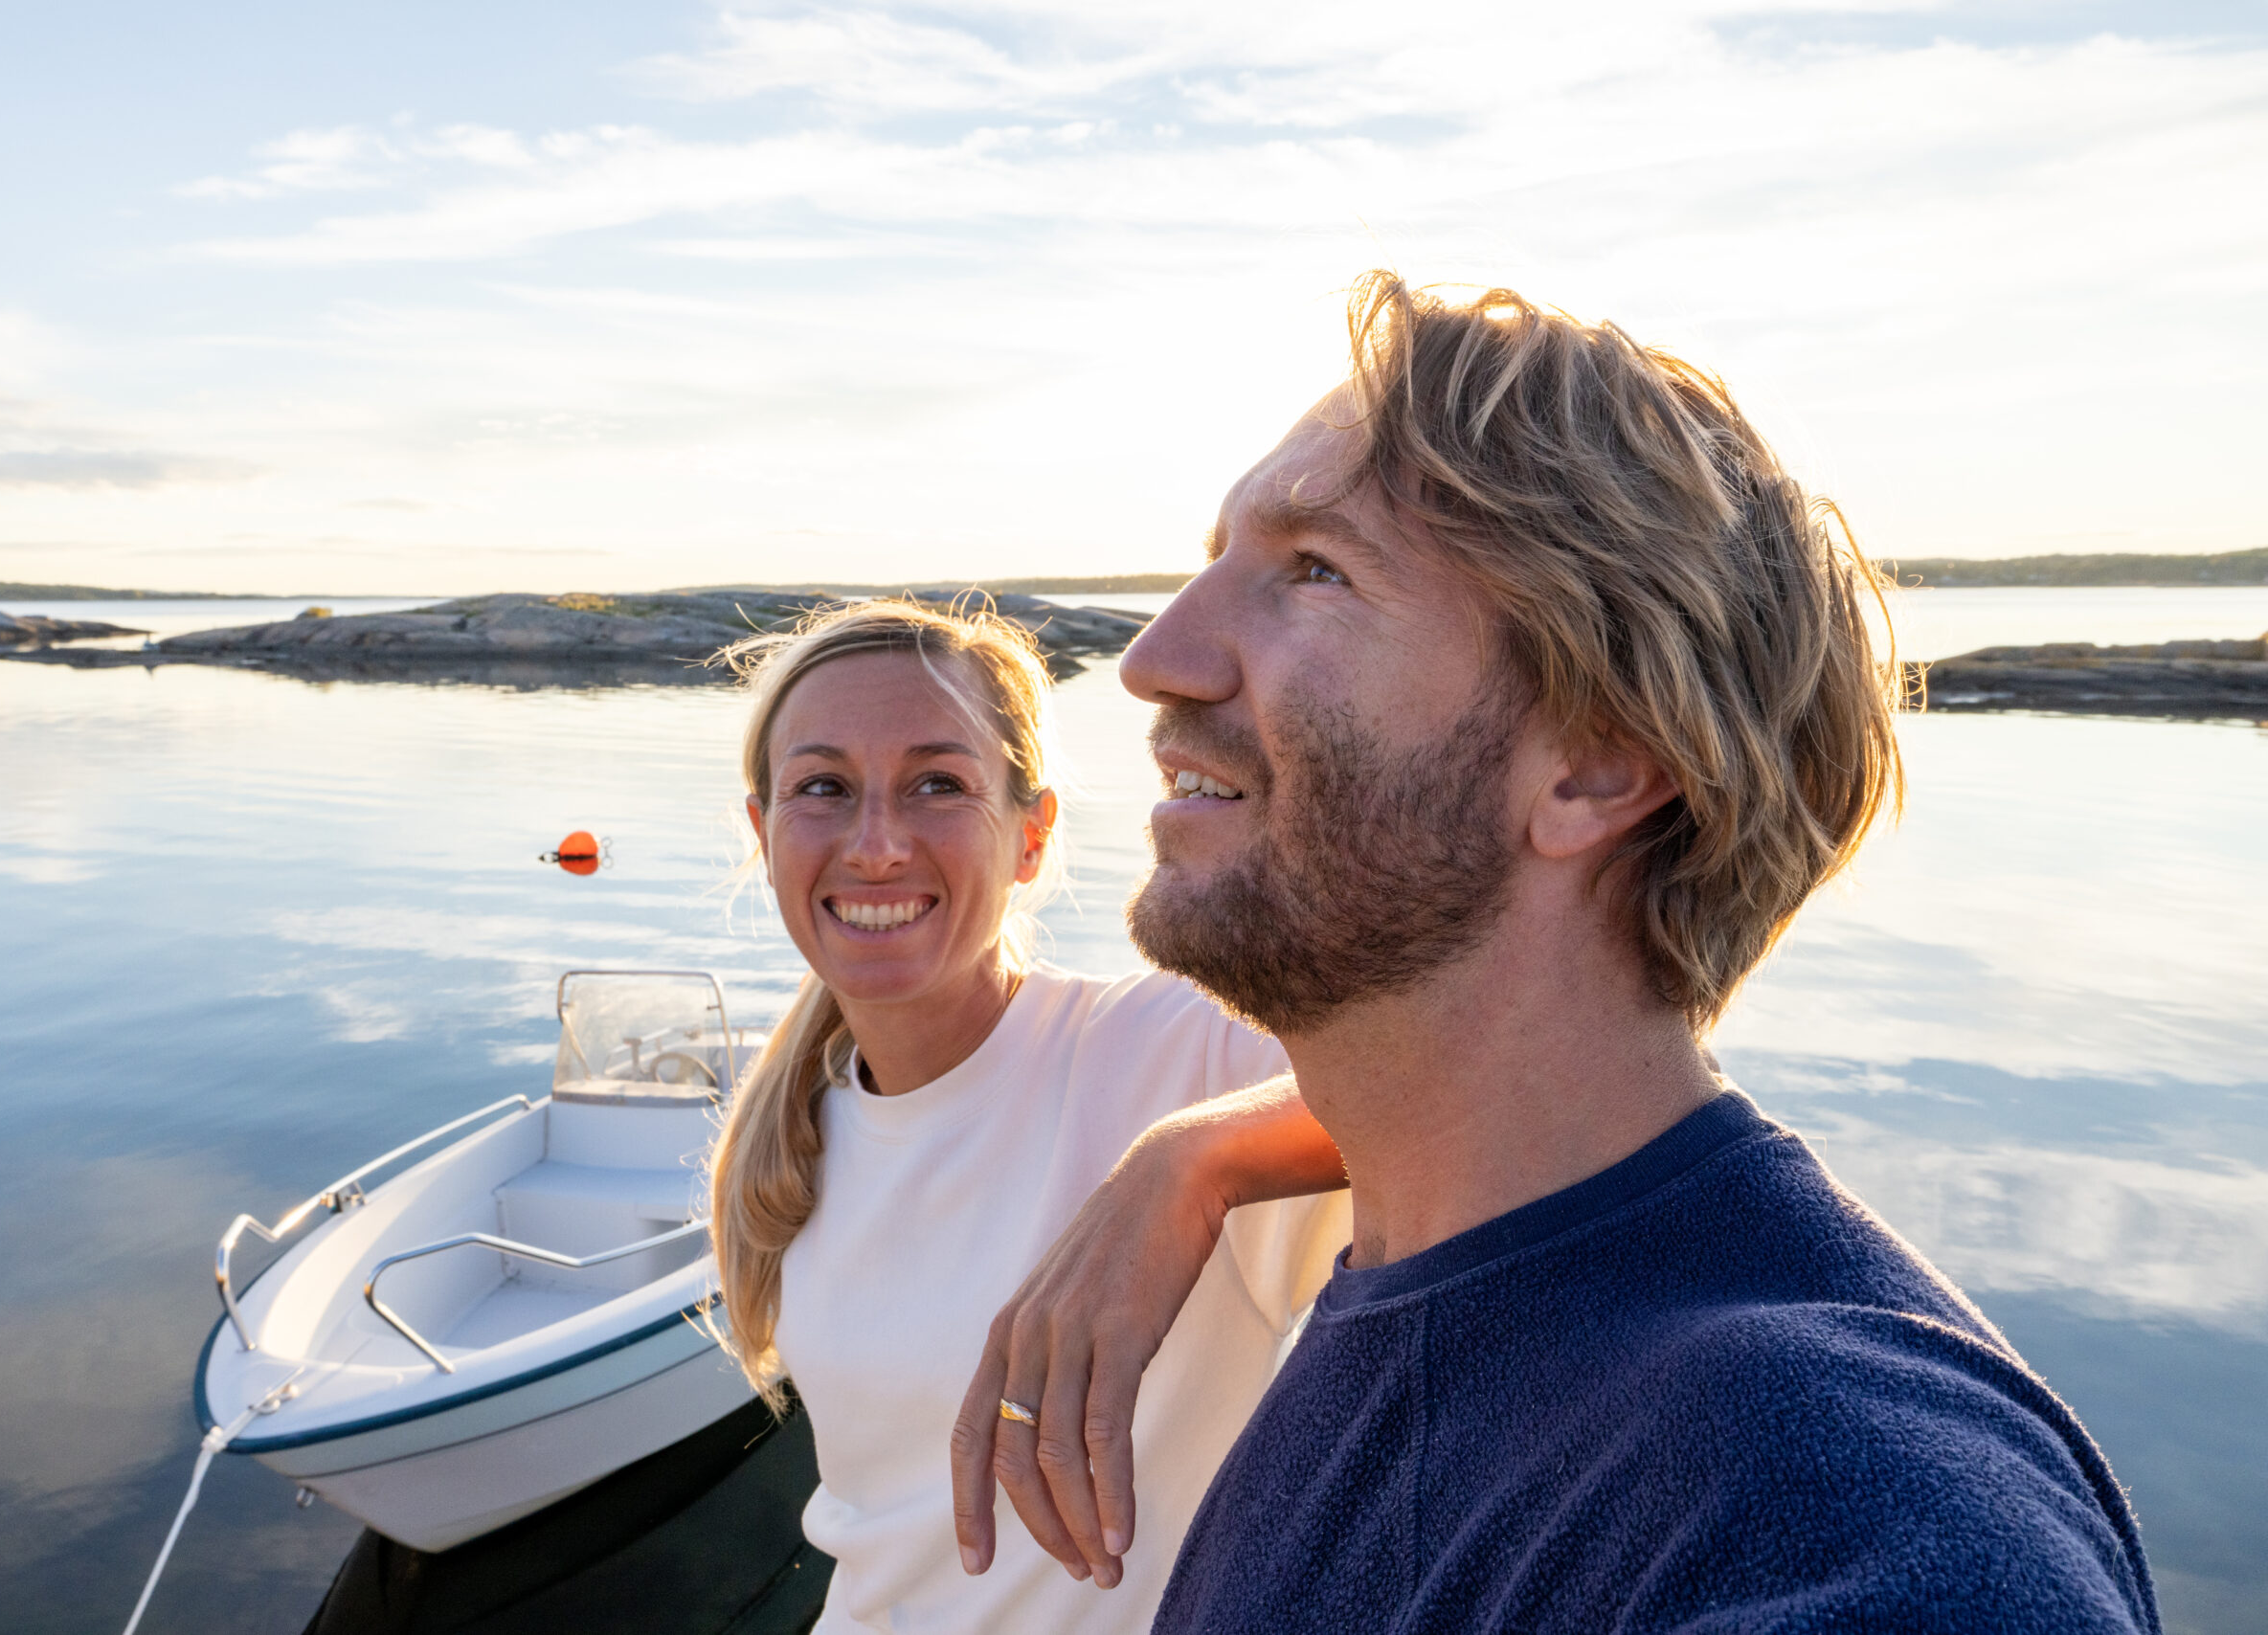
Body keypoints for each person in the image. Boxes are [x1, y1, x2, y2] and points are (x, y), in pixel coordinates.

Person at [954, 277, 2160, 1633]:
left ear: (1597, 764)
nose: (1156, 659)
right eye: (1218, 559)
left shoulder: (1855, 1510)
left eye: (1313, 571)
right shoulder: (1412, 1300)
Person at [705, 598, 1353, 1635]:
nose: (875, 845)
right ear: (763, 830)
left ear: (1031, 838)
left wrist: (1191, 1163)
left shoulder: (1178, 1052)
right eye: (823, 787)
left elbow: (1506, 1077)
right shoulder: (801, 1131)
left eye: (938, 785)